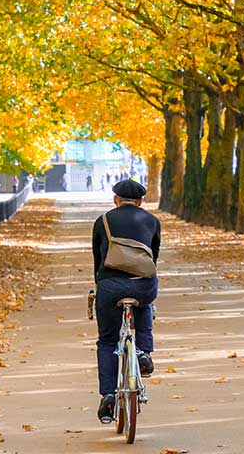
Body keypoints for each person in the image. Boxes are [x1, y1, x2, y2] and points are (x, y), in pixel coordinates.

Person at [92, 179, 161, 424]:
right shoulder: (152, 221)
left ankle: (108, 394)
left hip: (110, 287)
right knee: (145, 302)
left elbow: (98, 262)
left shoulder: (103, 221)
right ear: (141, 201)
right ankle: (143, 351)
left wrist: (101, 287)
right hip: (143, 286)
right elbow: (154, 258)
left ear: (115, 200)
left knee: (107, 340)